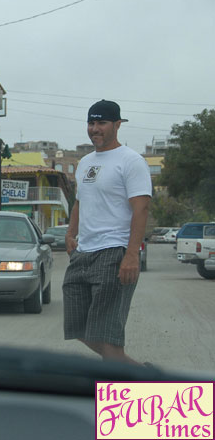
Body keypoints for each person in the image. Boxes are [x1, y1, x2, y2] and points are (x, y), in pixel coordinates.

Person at [63, 100, 152, 365]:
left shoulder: (131, 161)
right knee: (79, 329)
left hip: (114, 252)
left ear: (117, 124)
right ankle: (144, 377)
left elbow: (141, 208)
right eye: (91, 123)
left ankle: (123, 402)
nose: (95, 129)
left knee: (109, 339)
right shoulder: (85, 162)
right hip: (83, 253)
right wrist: (70, 232)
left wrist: (131, 255)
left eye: (101, 123)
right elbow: (80, 201)